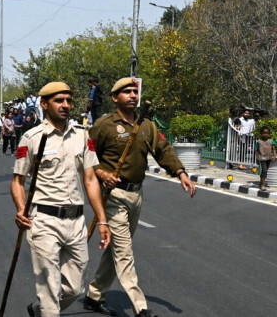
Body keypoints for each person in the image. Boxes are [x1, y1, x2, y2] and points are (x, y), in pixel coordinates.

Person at [84, 77, 196, 317]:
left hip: (136, 194)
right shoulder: (104, 125)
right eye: (126, 92)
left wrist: (180, 172)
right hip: (112, 195)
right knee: (124, 251)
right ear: (115, 98)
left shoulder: (147, 125)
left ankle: (94, 294)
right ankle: (140, 307)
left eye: (134, 91)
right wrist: (102, 173)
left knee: (116, 247)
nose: (132, 95)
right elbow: (86, 158)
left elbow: (163, 151)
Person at [12, 82, 111, 317]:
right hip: (43, 221)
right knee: (49, 289)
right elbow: (17, 181)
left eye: (68, 100)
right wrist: (20, 209)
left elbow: (90, 180)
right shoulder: (32, 137)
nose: (65, 105)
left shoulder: (82, 136)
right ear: (45, 104)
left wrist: (103, 219)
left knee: (75, 288)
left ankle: (38, 310)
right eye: (59, 100)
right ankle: (47, 310)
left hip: (76, 221)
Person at [255, 126, 276, 191]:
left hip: (269, 158)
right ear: (261, 134)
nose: (265, 135)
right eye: (264, 133)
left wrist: (274, 156)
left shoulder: (271, 141)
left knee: (265, 171)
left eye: (267, 133)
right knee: (264, 170)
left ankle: (261, 182)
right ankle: (262, 185)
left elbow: (274, 149)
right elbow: (256, 150)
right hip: (262, 158)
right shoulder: (259, 142)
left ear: (269, 134)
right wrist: (257, 158)